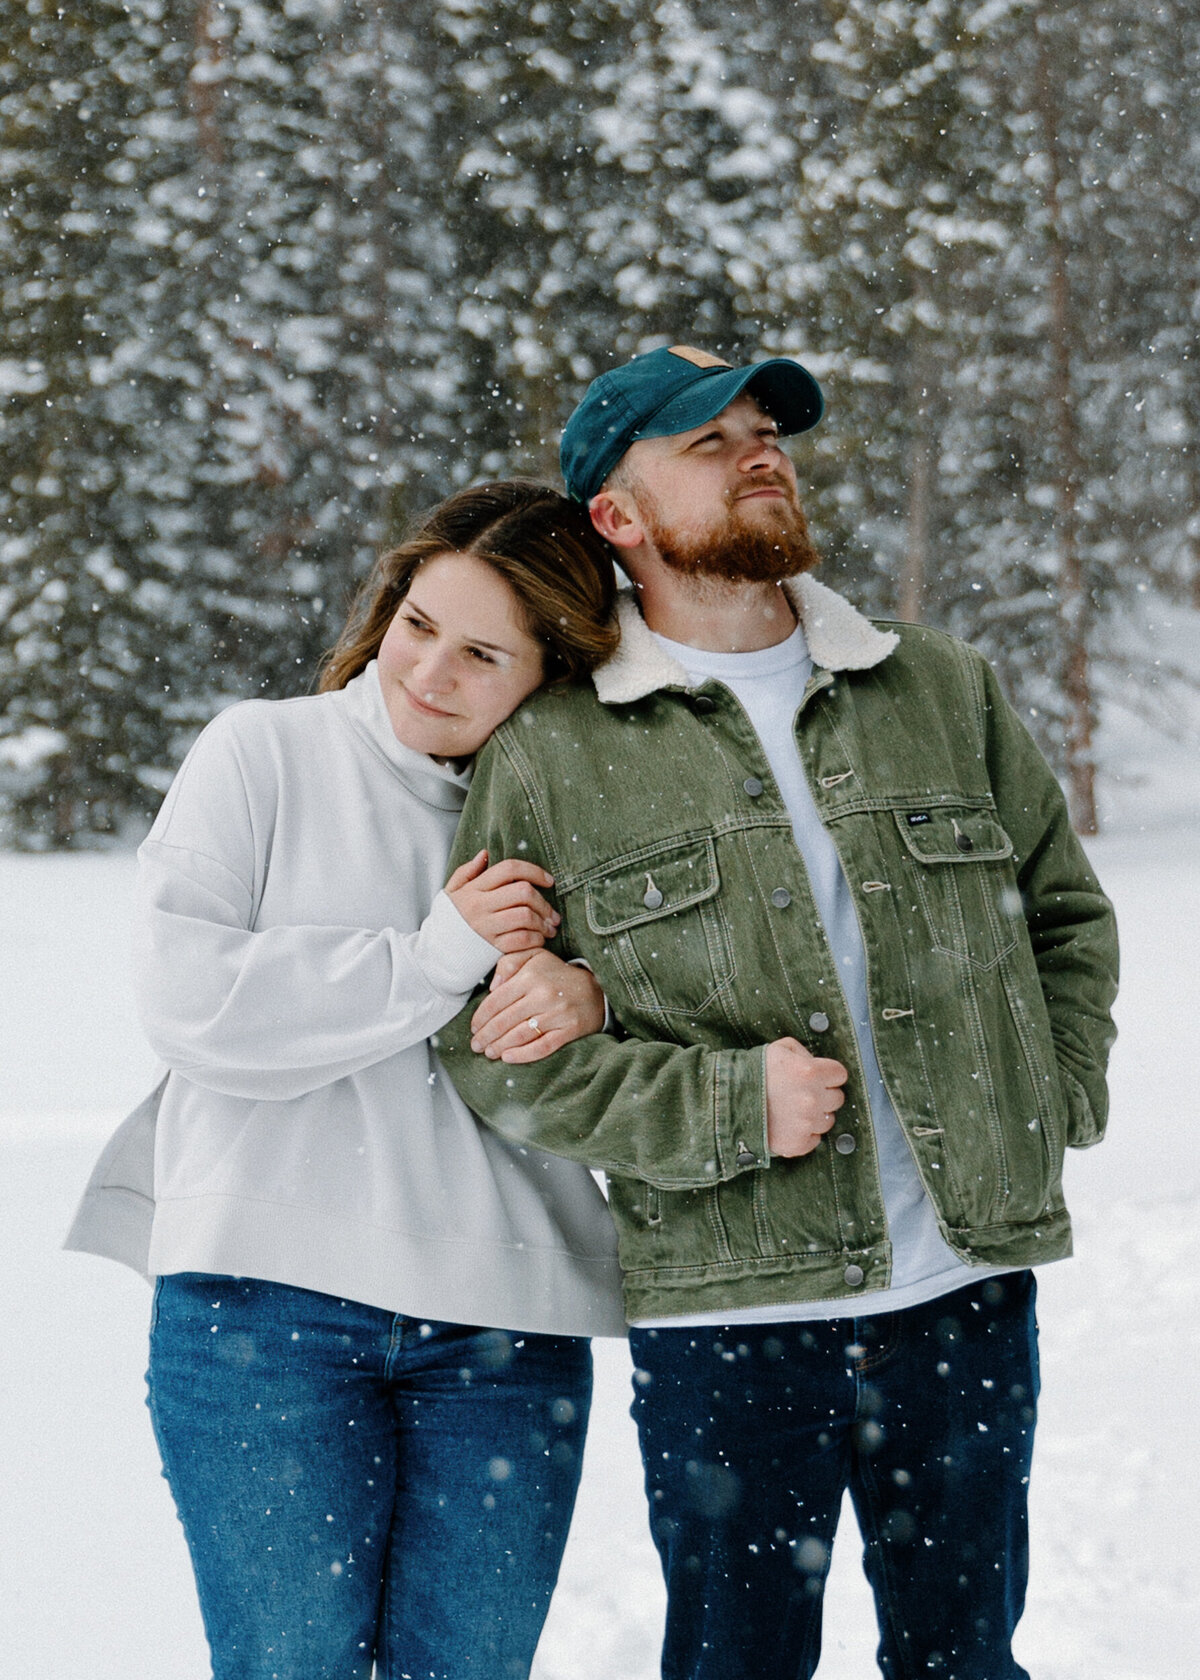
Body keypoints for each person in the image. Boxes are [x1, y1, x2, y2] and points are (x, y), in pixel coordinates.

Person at [434, 346, 1120, 1680]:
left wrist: (1049, 1094)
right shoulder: (554, 753)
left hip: (964, 1296)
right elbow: (493, 1050)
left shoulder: (938, 688)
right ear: (617, 519)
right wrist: (722, 1108)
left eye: (767, 430)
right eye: (709, 441)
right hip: (730, 1321)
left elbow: (1066, 919)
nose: (760, 452)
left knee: (967, 1662)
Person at [66, 480, 628, 1680]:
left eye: (482, 653)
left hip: (507, 1321)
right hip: (263, 1314)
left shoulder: (588, 813)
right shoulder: (265, 752)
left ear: (552, 671)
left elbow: (684, 1017)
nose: (427, 671)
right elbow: (191, 999)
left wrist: (592, 997)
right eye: (418, 624)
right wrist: (434, 958)